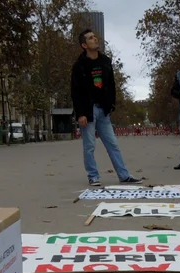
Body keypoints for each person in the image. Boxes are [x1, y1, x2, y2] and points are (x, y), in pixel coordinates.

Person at [71, 29, 141, 186]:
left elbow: (112, 84)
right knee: (89, 145)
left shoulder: (105, 61)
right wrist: (80, 113)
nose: (95, 39)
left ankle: (124, 175)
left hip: (103, 109)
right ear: (84, 45)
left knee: (112, 144)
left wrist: (111, 104)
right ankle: (93, 176)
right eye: (90, 38)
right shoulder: (79, 66)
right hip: (88, 111)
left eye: (95, 37)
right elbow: (75, 91)